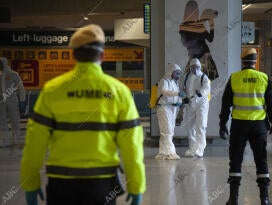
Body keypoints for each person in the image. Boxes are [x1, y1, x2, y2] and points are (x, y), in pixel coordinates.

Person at [20, 24, 146, 205]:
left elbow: (34, 144)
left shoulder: (52, 90)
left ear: (74, 55)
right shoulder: (119, 92)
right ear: (102, 55)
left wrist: (30, 184)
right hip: (102, 185)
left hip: (61, 185)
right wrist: (137, 186)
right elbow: (132, 145)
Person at [219, 48, 272, 205]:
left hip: (239, 126)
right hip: (259, 126)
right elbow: (271, 105)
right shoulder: (264, 78)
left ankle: (233, 199)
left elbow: (225, 105)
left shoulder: (234, 78)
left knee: (236, 160)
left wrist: (222, 123)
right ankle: (264, 199)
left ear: (242, 61)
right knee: (261, 160)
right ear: (255, 60)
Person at [179, 0, 219, 81]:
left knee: (193, 80)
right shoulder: (196, 26)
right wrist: (211, 25)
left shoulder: (184, 26)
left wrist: (210, 24)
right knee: (203, 81)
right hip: (203, 56)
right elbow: (210, 39)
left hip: (198, 56)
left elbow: (210, 39)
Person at [181, 58, 210, 158]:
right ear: (190, 67)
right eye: (193, 67)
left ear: (200, 67)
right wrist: (184, 98)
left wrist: (200, 93)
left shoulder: (204, 77)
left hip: (201, 104)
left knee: (200, 126)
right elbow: (183, 88)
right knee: (189, 126)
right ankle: (192, 148)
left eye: (197, 67)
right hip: (190, 104)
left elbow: (206, 88)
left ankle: (200, 149)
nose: (195, 69)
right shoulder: (186, 76)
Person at [155, 63, 184, 160]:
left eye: (179, 73)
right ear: (171, 72)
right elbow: (164, 91)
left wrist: (179, 102)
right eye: (176, 73)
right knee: (166, 130)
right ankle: (170, 152)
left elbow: (178, 96)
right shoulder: (164, 81)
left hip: (172, 108)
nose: (178, 75)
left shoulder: (175, 83)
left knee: (170, 131)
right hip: (164, 107)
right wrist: (177, 93)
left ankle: (163, 152)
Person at [0, 57, 26, 147]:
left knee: (14, 120)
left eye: (1, 63)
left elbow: (20, 87)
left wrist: (22, 99)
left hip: (12, 100)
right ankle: (4, 140)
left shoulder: (13, 74)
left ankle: (15, 139)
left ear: (5, 64)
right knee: (1, 121)